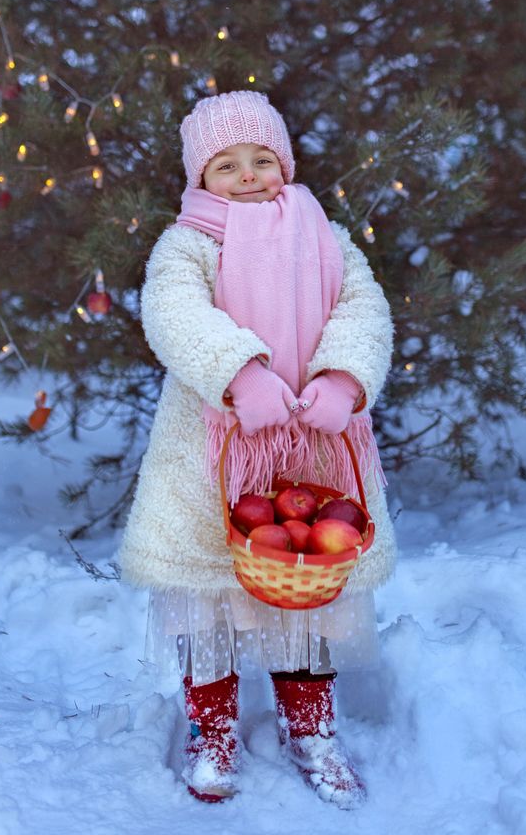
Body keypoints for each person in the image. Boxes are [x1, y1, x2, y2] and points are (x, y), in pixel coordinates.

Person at [117, 90, 397, 810]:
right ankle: (211, 733)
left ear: (286, 164)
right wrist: (240, 374)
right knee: (209, 598)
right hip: (211, 452)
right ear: (199, 178)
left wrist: (342, 379)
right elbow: (174, 312)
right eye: (226, 164)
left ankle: (313, 730)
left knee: (306, 592)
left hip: (313, 442)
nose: (247, 174)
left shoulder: (325, 235)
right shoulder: (188, 244)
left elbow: (362, 308)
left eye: (262, 159)